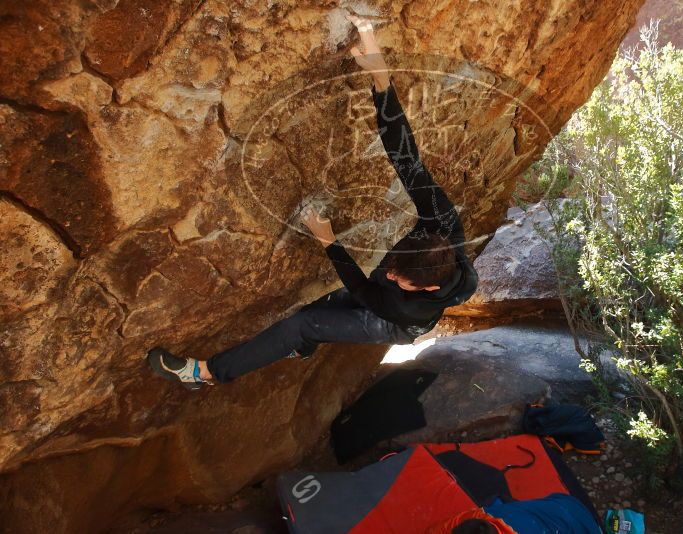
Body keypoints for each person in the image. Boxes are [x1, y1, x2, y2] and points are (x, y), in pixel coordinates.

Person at [147, 14, 478, 390]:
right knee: (319, 312)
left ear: (428, 289)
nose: (389, 272)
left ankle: (203, 374)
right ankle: (298, 346)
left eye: (398, 277)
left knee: (304, 322)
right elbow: (406, 159)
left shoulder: (403, 305)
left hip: (392, 323)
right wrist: (381, 79)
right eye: (395, 267)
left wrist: (327, 238)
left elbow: (361, 288)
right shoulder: (443, 224)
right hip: (397, 295)